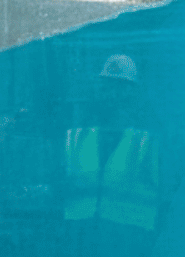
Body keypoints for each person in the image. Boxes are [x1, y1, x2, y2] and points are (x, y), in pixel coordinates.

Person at [62, 54, 164, 255]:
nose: (112, 94)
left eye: (119, 87)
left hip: (128, 240)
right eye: (108, 86)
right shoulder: (77, 137)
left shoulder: (148, 141)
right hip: (83, 238)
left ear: (132, 92)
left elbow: (164, 195)